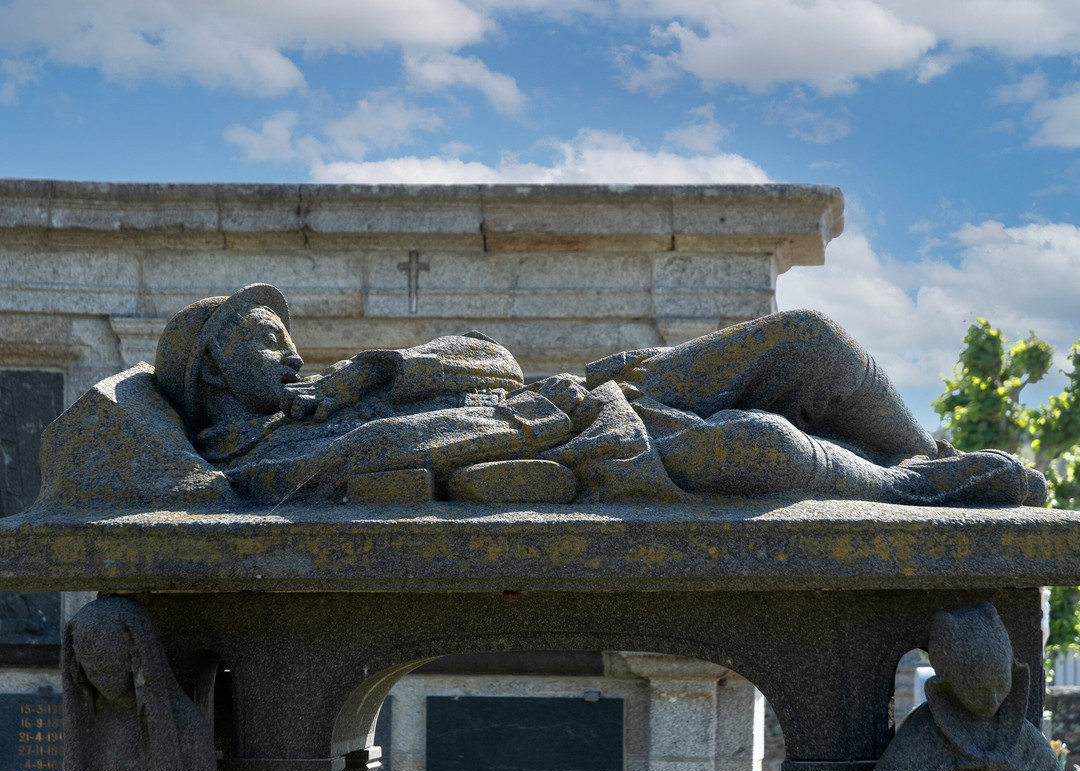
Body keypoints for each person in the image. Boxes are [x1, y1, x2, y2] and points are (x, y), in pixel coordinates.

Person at [152, 284, 1046, 507]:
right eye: (263, 338)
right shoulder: (256, 464)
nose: (290, 348)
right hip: (575, 446)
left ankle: (922, 459)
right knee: (757, 442)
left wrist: (375, 372)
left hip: (585, 394)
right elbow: (388, 458)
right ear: (215, 374)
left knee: (807, 338)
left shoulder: (340, 386)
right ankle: (907, 492)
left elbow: (493, 361)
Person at [857, 602, 1079, 771]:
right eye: (977, 689)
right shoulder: (920, 742)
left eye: (1001, 684)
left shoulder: (1027, 744)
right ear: (946, 684)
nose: (993, 699)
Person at [61, 597, 219, 771]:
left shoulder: (186, 727)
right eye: (92, 672)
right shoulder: (90, 722)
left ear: (135, 659)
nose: (102, 681)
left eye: (110, 670)